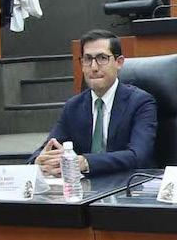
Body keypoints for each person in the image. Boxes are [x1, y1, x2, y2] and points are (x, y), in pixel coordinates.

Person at [31, 30, 156, 177]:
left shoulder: (140, 103)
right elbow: (49, 147)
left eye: (102, 58)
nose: (94, 67)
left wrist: (85, 162)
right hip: (85, 187)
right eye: (87, 59)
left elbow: (138, 156)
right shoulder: (73, 106)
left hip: (127, 184)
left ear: (119, 62)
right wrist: (39, 161)